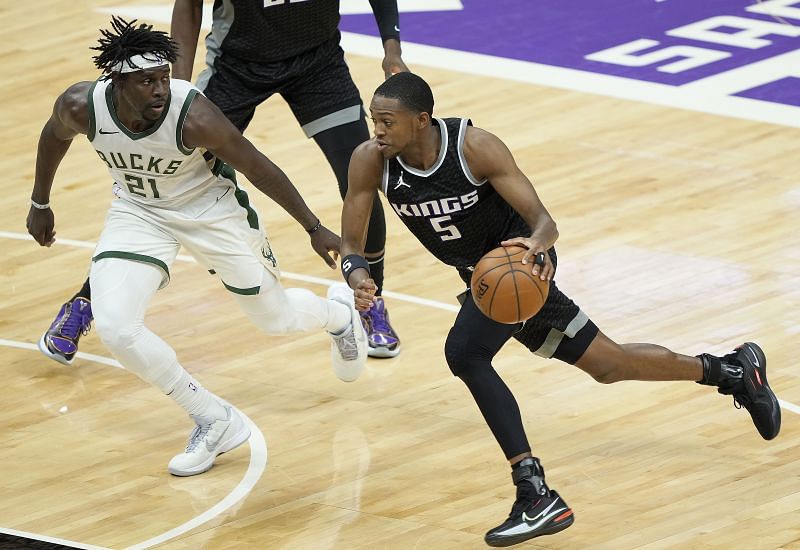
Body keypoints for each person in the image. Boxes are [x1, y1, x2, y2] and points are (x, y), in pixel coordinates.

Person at [338, 72, 782, 547]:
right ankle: (731, 370)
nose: (377, 131)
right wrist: (359, 278)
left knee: (465, 353)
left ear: (421, 120)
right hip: (485, 279)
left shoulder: (474, 148)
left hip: (521, 266)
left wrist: (538, 247)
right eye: (373, 121)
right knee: (609, 365)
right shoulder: (371, 161)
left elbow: (544, 222)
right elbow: (351, 245)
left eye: (387, 122)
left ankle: (535, 492)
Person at [26, 17, 367, 477]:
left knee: (274, 319)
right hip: (139, 213)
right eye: (147, 81)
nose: (160, 89)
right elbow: (52, 136)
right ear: (118, 82)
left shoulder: (194, 115)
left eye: (164, 77)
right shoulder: (81, 106)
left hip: (213, 215)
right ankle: (214, 418)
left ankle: (339, 315)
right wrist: (40, 202)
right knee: (116, 326)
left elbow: (258, 167)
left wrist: (314, 227)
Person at [37, 0, 407, 365]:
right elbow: (189, 5)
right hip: (237, 67)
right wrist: (177, 81)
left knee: (359, 175)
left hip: (318, 62)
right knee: (164, 179)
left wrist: (391, 48)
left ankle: (370, 299)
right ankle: (87, 302)